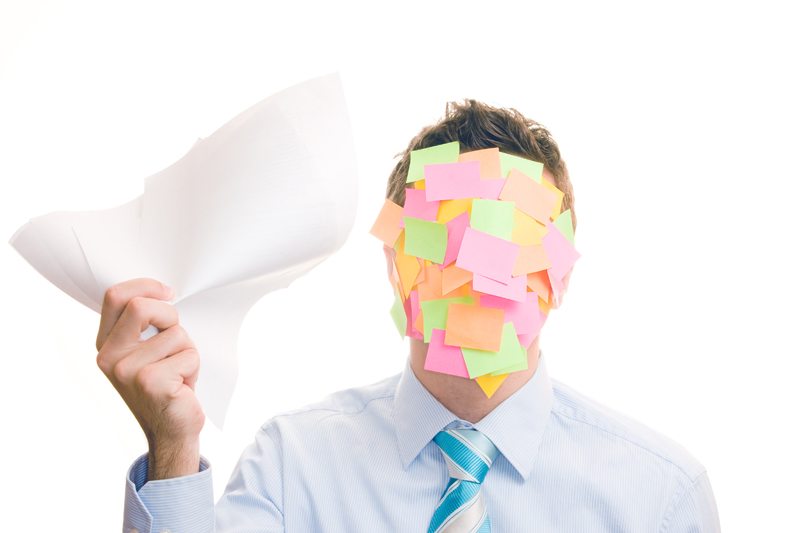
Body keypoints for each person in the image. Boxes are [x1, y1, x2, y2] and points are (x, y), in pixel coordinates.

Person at [98, 100, 721, 532]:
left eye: (511, 244)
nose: (481, 273)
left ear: (561, 274)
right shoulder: (291, 467)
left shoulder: (662, 496)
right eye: (448, 241)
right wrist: (172, 448)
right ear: (396, 263)